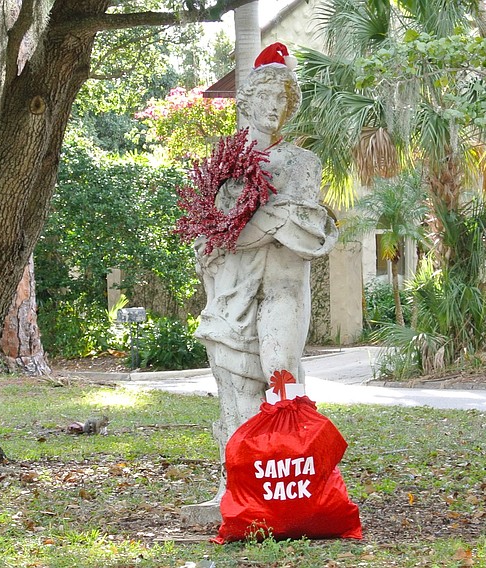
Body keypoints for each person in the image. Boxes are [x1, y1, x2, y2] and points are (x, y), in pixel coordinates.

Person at [187, 43, 338, 516]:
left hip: (281, 293)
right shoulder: (222, 165)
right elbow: (213, 237)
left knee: (280, 384)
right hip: (230, 296)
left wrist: (245, 222)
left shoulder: (300, 164)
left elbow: (301, 230)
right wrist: (240, 225)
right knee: (233, 390)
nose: (273, 108)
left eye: (282, 100)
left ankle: (287, 493)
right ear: (248, 101)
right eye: (265, 98)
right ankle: (237, 491)